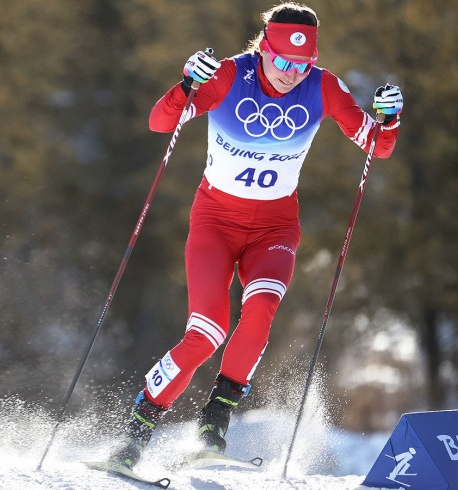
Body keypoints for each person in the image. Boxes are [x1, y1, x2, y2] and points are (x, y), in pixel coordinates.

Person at [109, 2, 403, 469]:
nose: (290, 73)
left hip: (275, 228)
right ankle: (138, 428)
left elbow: (375, 145)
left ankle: (214, 427)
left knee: (261, 309)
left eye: (301, 64)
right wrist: (187, 85)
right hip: (215, 223)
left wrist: (388, 118)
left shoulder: (323, 86)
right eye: (282, 61)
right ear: (263, 48)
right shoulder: (228, 76)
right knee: (205, 333)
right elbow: (160, 123)